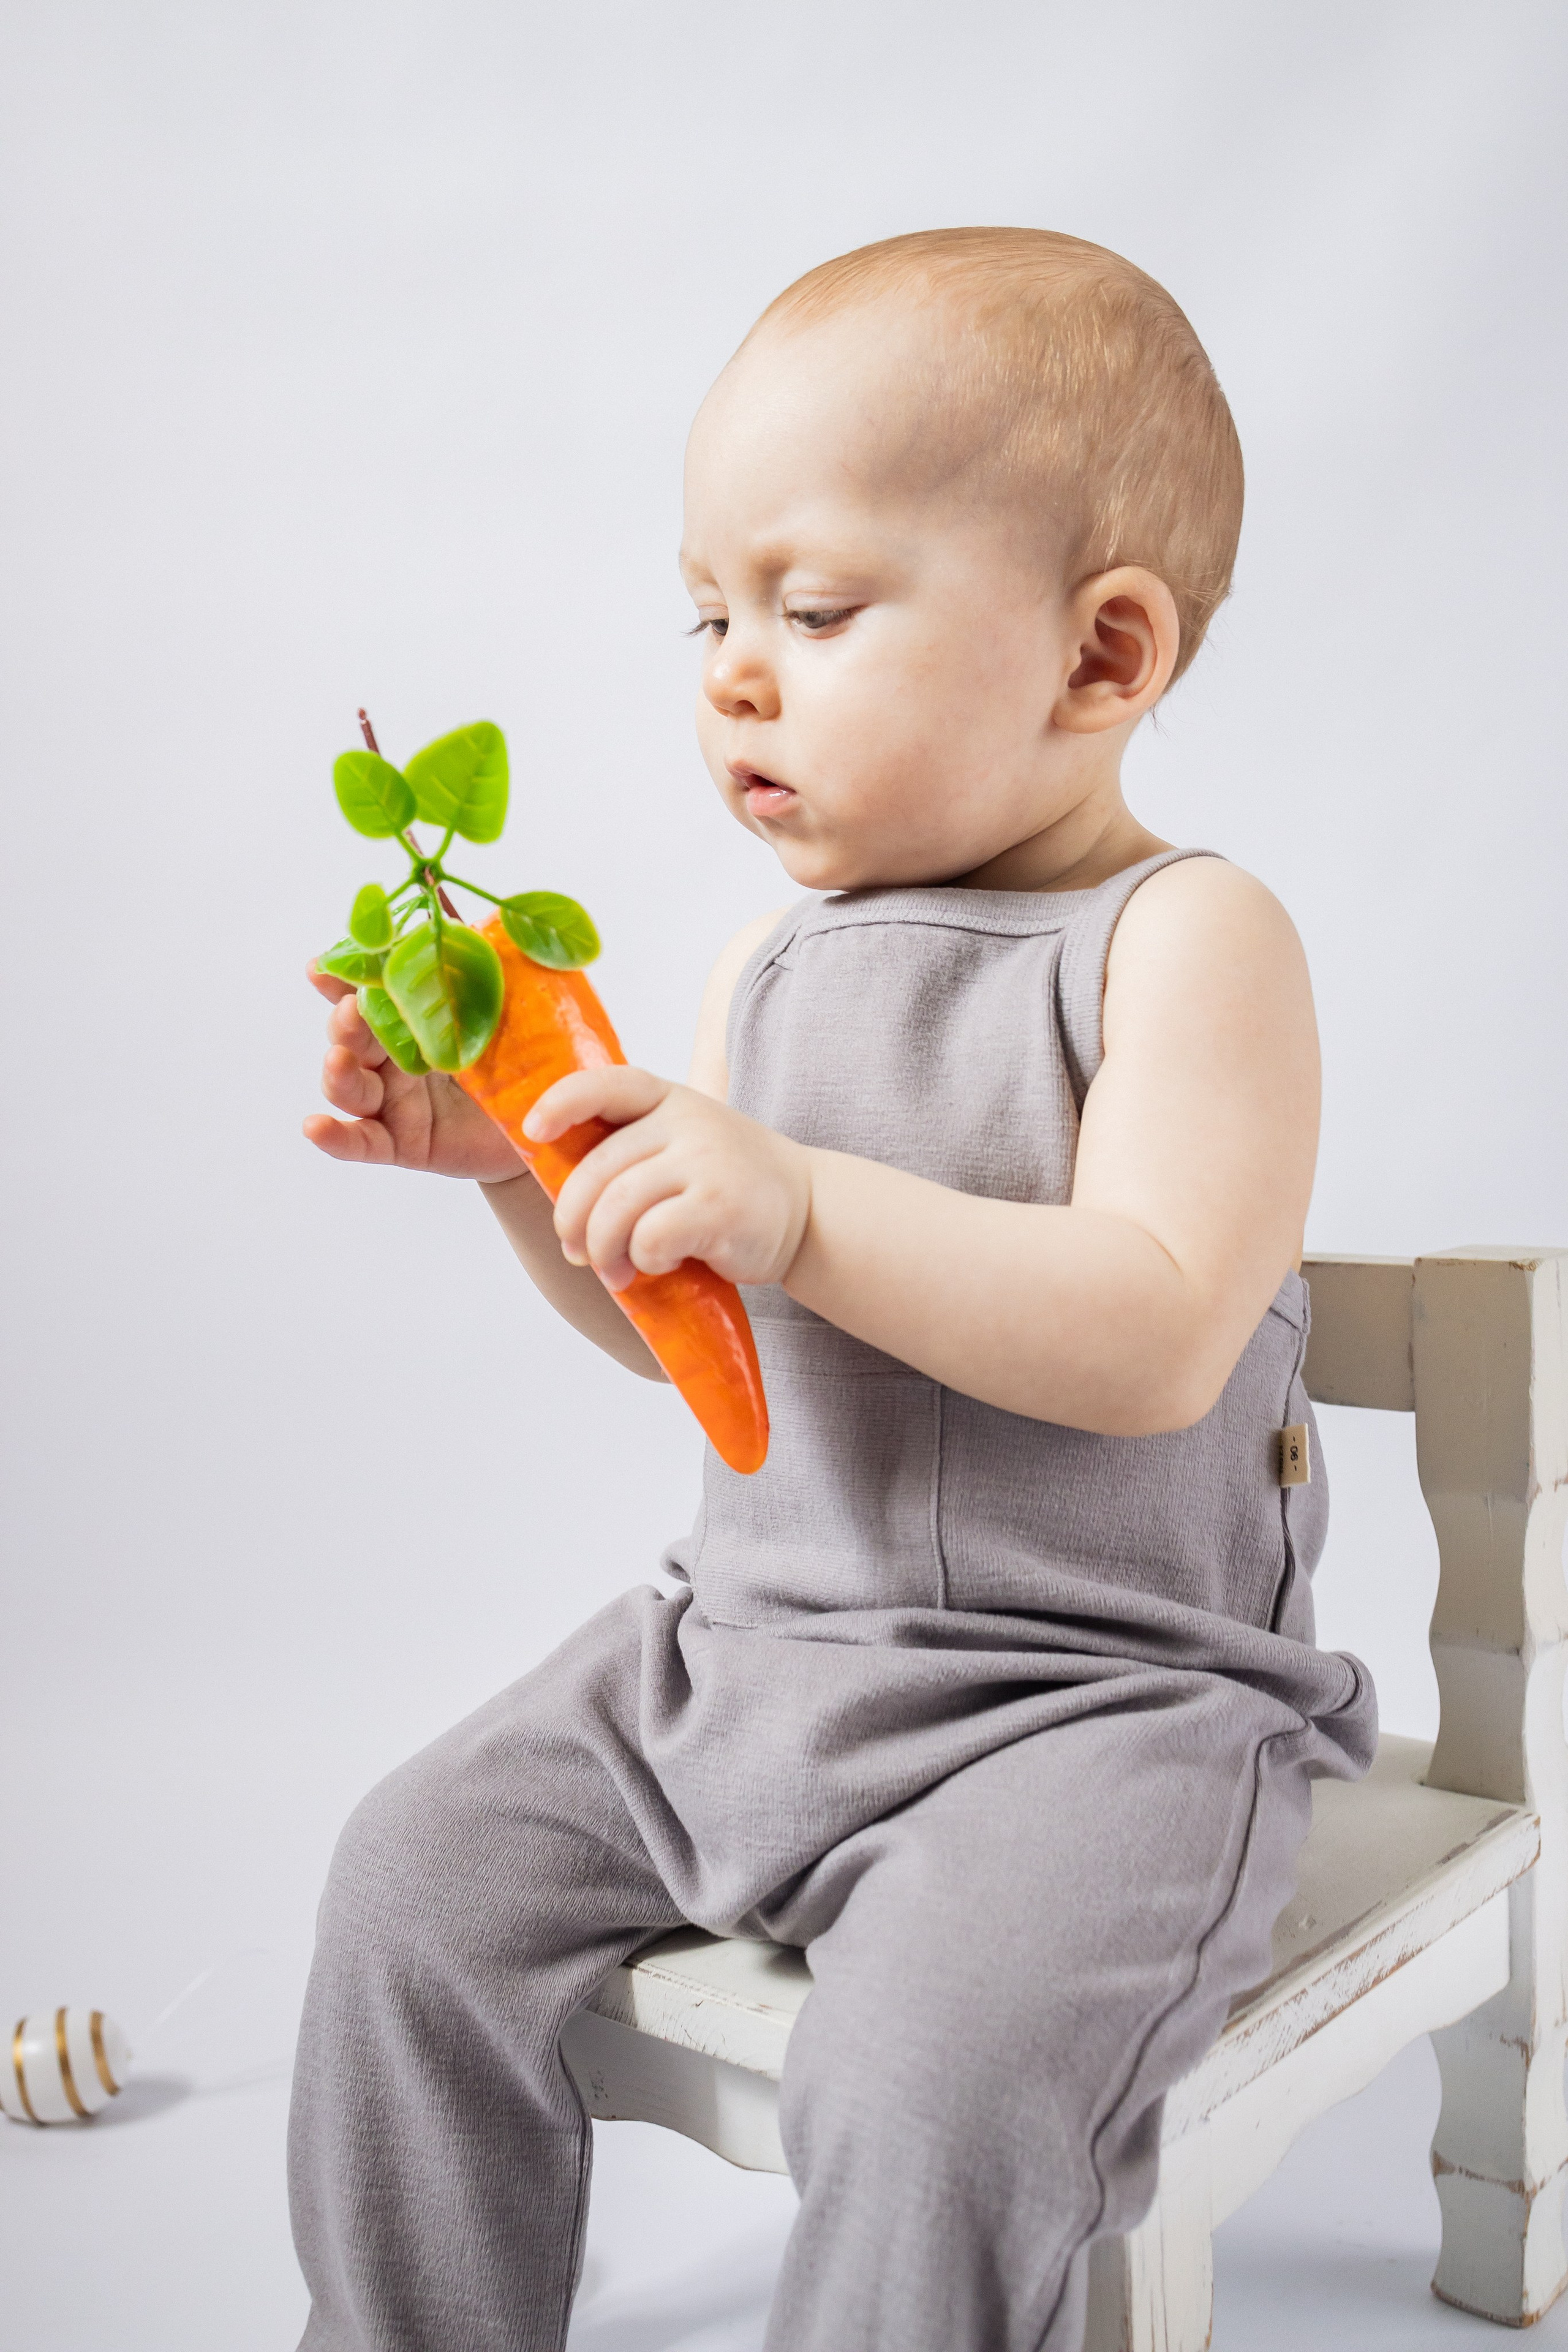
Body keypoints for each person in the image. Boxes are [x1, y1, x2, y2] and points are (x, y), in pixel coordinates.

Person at [291, 226, 1375, 2352]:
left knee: (937, 2079)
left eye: (815, 606)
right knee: (404, 1882)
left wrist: (794, 1203)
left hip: (1096, 1716)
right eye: (709, 611)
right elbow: (705, 1344)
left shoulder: (1184, 941)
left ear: (1102, 655)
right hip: (744, 1664)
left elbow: (1154, 1325)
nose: (730, 671)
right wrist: (537, 1180)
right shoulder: (768, 969)